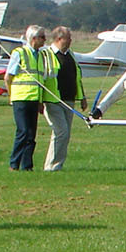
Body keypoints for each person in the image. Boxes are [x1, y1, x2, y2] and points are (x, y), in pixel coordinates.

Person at [5, 24, 54, 171]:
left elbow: (39, 80)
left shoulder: (40, 55)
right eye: (42, 37)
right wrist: (11, 96)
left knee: (31, 135)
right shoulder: (19, 53)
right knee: (23, 131)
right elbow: (8, 77)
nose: (45, 40)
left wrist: (40, 101)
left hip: (34, 100)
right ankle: (14, 163)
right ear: (33, 38)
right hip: (20, 99)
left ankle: (27, 166)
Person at [43, 26, 87, 171]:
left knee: (66, 134)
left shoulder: (70, 55)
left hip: (69, 100)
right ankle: (51, 166)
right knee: (61, 131)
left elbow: (77, 77)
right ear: (59, 39)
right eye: (68, 38)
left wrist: (82, 97)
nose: (71, 41)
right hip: (53, 100)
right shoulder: (47, 54)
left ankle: (58, 164)